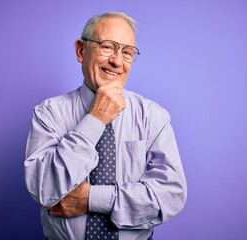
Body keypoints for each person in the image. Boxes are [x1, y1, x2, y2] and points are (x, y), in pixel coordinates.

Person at [24, 12, 187, 240]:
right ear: (81, 50)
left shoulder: (153, 117)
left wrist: (91, 198)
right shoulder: (49, 113)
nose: (117, 61)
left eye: (127, 52)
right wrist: (95, 119)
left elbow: (171, 196)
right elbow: (44, 189)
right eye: (107, 47)